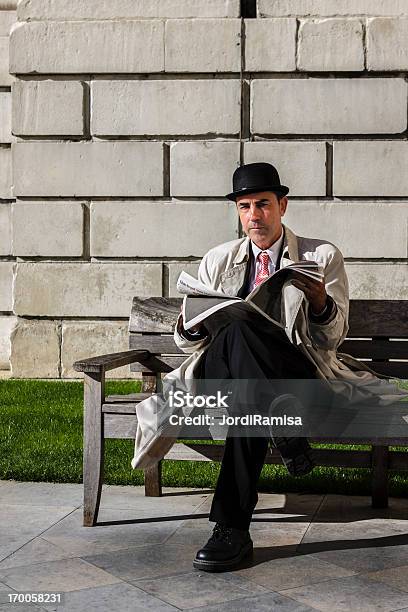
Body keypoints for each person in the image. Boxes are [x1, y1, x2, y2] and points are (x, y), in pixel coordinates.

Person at [131, 162, 406, 572]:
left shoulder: (320, 256)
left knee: (248, 397)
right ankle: (282, 433)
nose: (254, 216)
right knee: (238, 336)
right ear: (238, 212)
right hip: (220, 373)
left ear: (283, 205)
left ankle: (231, 528)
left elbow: (331, 341)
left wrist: (319, 304)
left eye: (262, 204)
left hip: (296, 373)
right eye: (245, 207)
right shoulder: (218, 259)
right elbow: (188, 341)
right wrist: (192, 323)